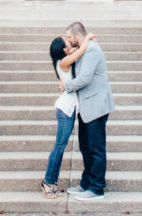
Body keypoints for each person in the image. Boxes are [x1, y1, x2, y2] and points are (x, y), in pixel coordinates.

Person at [64, 20, 114, 200]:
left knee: (95, 148)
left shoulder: (92, 50)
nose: (68, 41)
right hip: (87, 106)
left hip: (97, 105)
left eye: (70, 37)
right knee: (86, 146)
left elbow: (85, 78)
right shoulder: (84, 49)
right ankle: (86, 183)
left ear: (78, 35)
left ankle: (97, 188)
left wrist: (66, 86)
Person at [41, 31, 95, 198]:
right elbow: (80, 51)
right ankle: (48, 182)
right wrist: (87, 37)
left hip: (70, 108)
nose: (70, 41)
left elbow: (77, 54)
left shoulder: (63, 60)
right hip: (65, 108)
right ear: (64, 50)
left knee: (60, 146)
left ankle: (52, 182)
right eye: (67, 41)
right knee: (59, 146)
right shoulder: (63, 62)